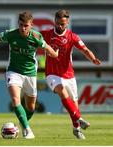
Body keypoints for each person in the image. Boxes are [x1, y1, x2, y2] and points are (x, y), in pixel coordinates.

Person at [0, 11, 58, 139]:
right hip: (13, 71)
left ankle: (22, 123)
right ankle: (27, 129)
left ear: (31, 25)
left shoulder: (36, 37)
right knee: (15, 100)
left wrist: (55, 54)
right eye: (21, 25)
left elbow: (47, 48)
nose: (23, 28)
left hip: (31, 73)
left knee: (31, 107)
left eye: (26, 25)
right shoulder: (11, 34)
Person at [41, 9, 101, 139]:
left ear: (67, 23)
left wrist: (93, 59)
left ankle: (76, 128)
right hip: (52, 74)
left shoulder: (72, 36)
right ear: (54, 22)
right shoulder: (46, 34)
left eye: (62, 23)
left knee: (74, 105)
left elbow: (84, 49)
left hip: (69, 75)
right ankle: (79, 118)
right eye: (57, 23)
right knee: (62, 91)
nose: (60, 26)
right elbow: (32, 37)